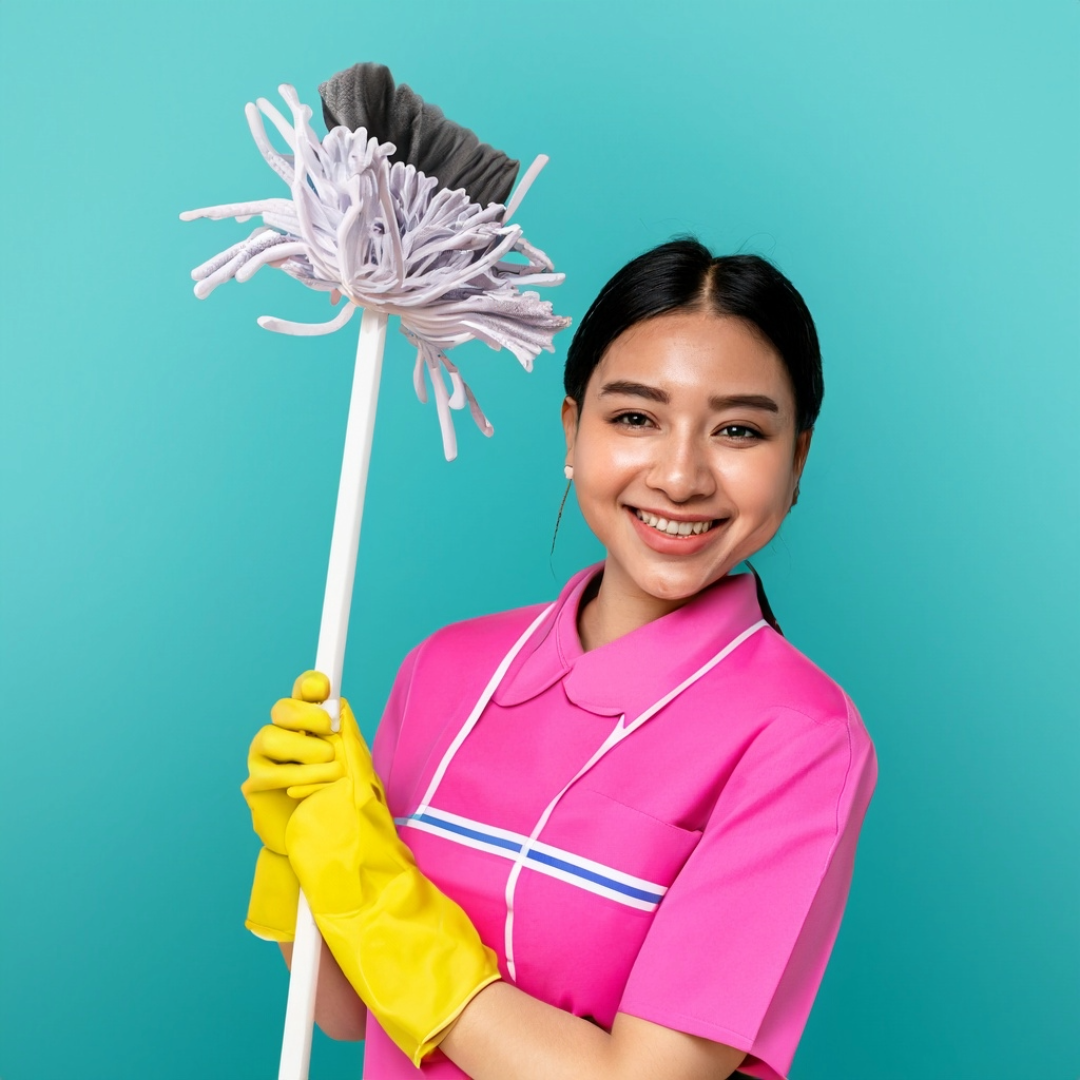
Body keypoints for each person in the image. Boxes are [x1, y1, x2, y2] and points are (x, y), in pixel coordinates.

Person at [241, 237, 878, 1080]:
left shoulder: (802, 738)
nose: (681, 476)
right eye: (636, 417)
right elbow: (341, 1012)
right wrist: (303, 851)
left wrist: (379, 902)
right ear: (574, 430)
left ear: (795, 461)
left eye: (737, 429)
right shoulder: (444, 669)